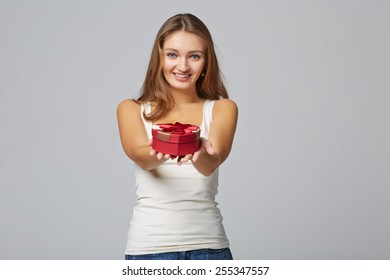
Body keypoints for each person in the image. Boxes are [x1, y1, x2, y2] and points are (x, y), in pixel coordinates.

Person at [117, 13, 238, 260]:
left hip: (208, 248)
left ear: (206, 61)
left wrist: (199, 151)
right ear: (159, 57)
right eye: (172, 54)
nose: (182, 67)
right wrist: (165, 145)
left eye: (194, 56)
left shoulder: (223, 108)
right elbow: (144, 158)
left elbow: (210, 165)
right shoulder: (131, 108)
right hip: (149, 251)